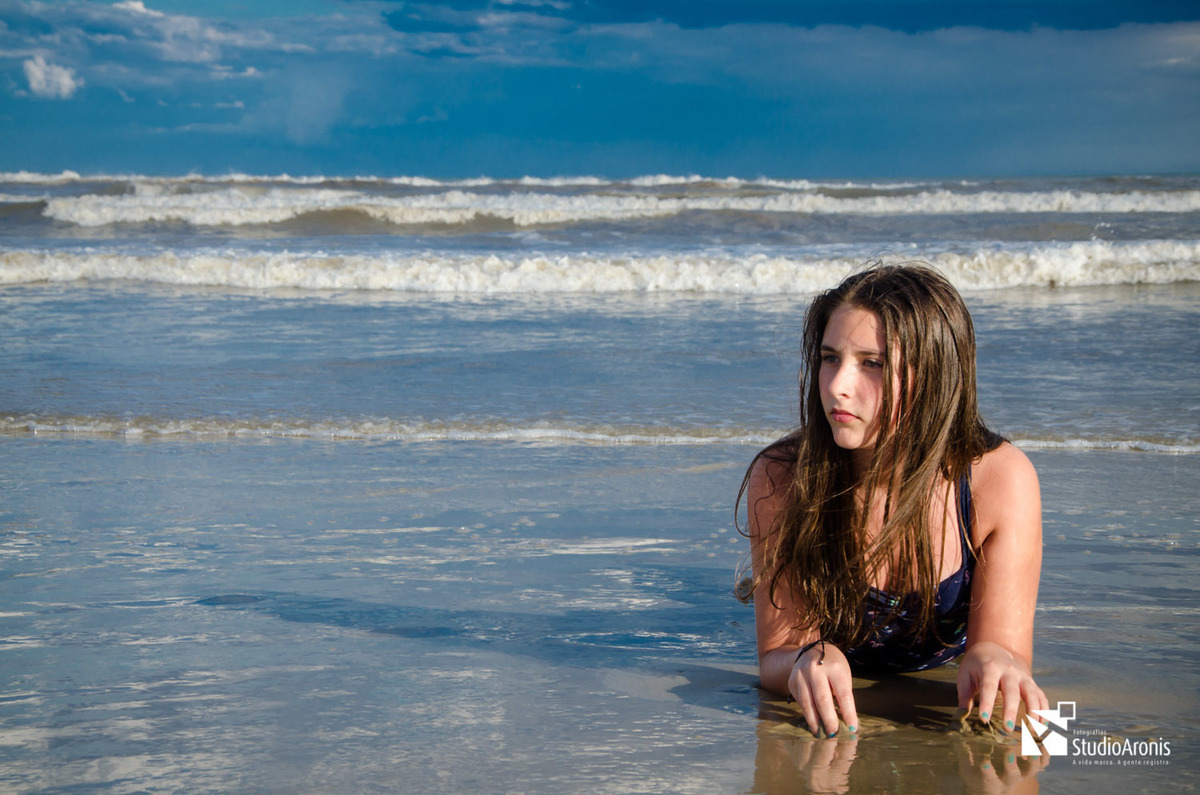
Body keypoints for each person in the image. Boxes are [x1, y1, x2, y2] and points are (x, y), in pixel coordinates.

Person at [739, 262, 1048, 738]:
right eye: (829, 357)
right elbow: (776, 655)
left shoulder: (998, 480)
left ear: (934, 376)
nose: (838, 384)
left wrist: (995, 663)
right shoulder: (784, 479)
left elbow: (1002, 647)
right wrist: (805, 659)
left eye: (872, 363)